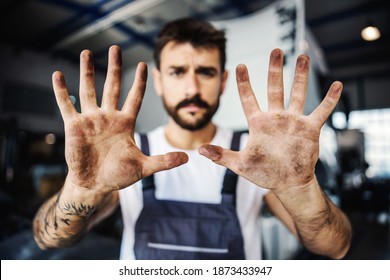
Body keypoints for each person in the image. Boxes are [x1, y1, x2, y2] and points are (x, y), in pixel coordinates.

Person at [33, 17, 352, 260]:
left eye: (206, 72)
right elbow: (47, 238)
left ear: (223, 80)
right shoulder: (126, 156)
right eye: (177, 71)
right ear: (157, 80)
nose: (192, 89)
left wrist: (301, 189)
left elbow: (336, 247)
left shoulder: (257, 157)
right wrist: (81, 190)